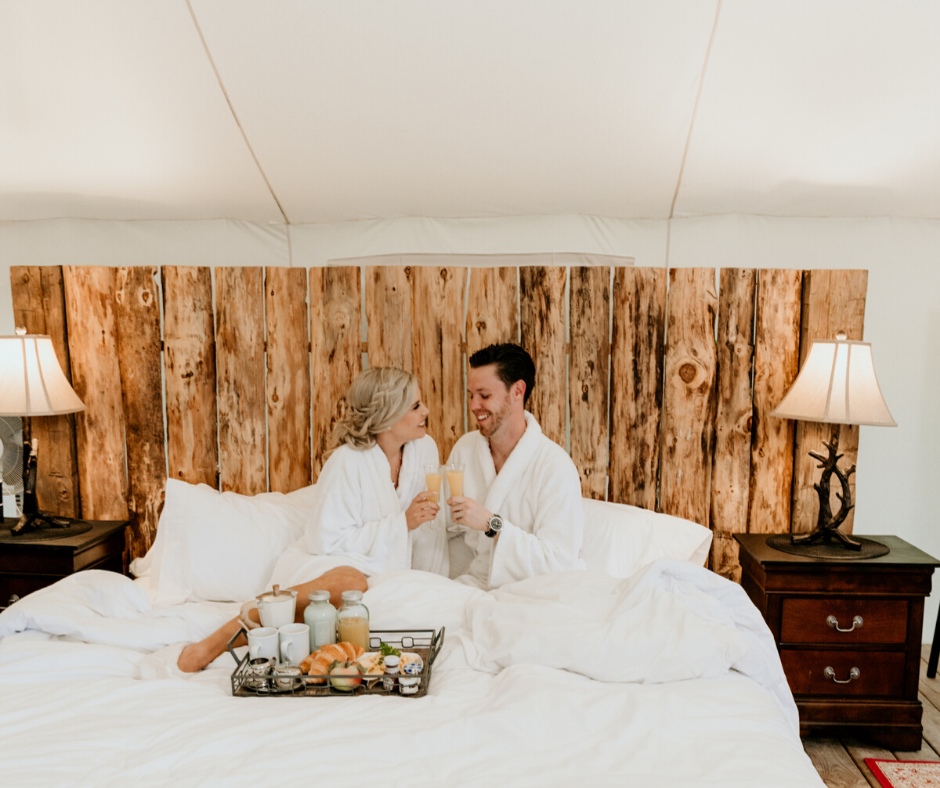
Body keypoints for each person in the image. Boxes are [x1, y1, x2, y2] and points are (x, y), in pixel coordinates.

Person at [177, 367, 444, 673]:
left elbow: (431, 529)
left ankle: (267, 620)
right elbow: (326, 540)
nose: (426, 411)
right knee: (352, 583)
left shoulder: (425, 450)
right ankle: (223, 636)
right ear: (388, 417)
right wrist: (401, 524)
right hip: (327, 563)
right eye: (415, 406)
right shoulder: (347, 461)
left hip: (384, 565)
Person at [445, 343, 585, 589]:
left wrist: (492, 524)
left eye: (484, 395)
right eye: (471, 394)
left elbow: (558, 562)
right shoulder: (465, 449)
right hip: (472, 585)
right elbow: (444, 527)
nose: (473, 405)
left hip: (531, 591)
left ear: (517, 391)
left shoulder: (554, 467)